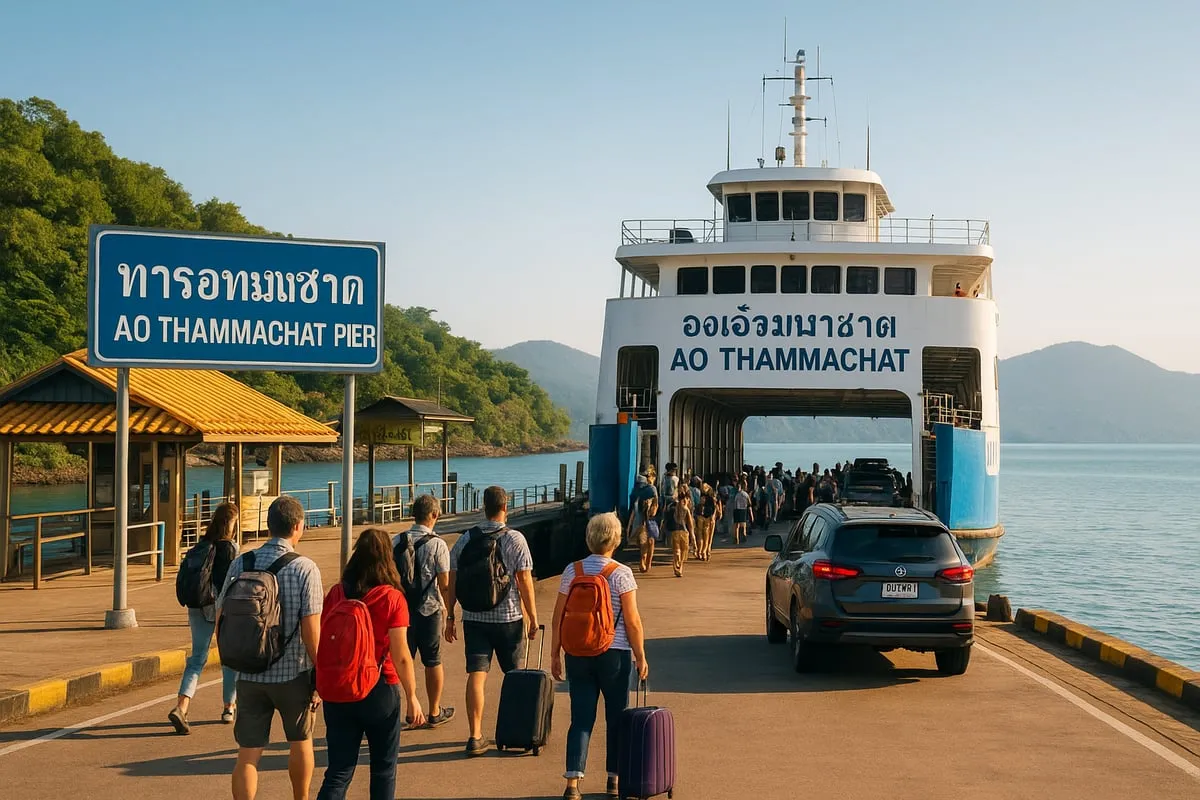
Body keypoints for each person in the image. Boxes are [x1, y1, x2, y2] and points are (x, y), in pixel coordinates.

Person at [218, 495, 323, 800]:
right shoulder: (305, 568)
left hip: (249, 673)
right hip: (294, 673)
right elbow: (310, 629)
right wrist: (321, 673)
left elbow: (222, 618)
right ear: (298, 526)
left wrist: (234, 658)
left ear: (268, 526)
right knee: (300, 742)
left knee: (247, 756)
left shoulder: (241, 562)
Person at [315, 529, 426, 800]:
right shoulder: (392, 598)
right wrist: (412, 697)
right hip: (379, 687)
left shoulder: (337, 593)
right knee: (383, 769)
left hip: (339, 688)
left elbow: (322, 639)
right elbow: (401, 655)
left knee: (339, 770)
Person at [551, 512, 649, 800]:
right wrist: (641, 656)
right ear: (616, 540)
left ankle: (572, 783)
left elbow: (558, 617)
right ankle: (614, 779)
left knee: (581, 718)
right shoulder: (621, 573)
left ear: (589, 538)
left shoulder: (573, 571)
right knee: (616, 718)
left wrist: (555, 654)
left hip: (577, 652)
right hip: (614, 654)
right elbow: (632, 621)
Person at [444, 486, 539, 758]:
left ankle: (475, 736)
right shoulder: (515, 539)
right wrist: (532, 617)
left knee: (477, 675)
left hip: (473, 618)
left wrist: (450, 615)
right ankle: (516, 731)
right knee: (514, 677)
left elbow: (452, 579)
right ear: (505, 506)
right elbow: (525, 582)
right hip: (509, 619)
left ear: (482, 507)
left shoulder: (466, 539)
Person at [169, 502, 240, 734]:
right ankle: (229, 707)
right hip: (221, 607)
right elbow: (233, 582)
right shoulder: (230, 548)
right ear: (231, 523)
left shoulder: (201, 545)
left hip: (197, 605)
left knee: (197, 658)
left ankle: (182, 706)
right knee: (228, 657)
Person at [393, 494, 455, 729]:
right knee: (432, 661)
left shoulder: (396, 541)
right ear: (434, 515)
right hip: (429, 611)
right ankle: (433, 711)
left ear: (413, 515)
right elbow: (445, 584)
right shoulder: (438, 544)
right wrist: (450, 615)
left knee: (402, 660)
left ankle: (409, 708)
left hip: (401, 612)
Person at [663, 486, 693, 578]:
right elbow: (690, 523)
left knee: (678, 551)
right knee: (681, 551)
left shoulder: (671, 506)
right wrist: (693, 536)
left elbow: (665, 517)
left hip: (675, 531)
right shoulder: (685, 508)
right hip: (682, 532)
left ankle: (677, 567)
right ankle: (679, 567)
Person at [628, 493, 659, 574]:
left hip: (647, 527)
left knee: (648, 546)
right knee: (646, 546)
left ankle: (647, 564)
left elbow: (652, 514)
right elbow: (635, 514)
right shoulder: (641, 503)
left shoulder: (653, 503)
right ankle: (644, 563)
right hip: (645, 527)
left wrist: (648, 507)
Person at [695, 483, 720, 561]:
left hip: (700, 516)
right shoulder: (712, 497)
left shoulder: (699, 495)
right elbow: (714, 507)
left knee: (700, 535)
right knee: (706, 536)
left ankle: (700, 551)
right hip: (708, 517)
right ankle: (704, 551)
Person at [731, 480, 752, 545]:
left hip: (737, 510)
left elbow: (734, 502)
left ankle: (736, 539)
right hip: (743, 510)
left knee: (736, 525)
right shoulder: (746, 494)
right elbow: (749, 503)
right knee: (743, 524)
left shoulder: (736, 494)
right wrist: (751, 514)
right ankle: (744, 536)